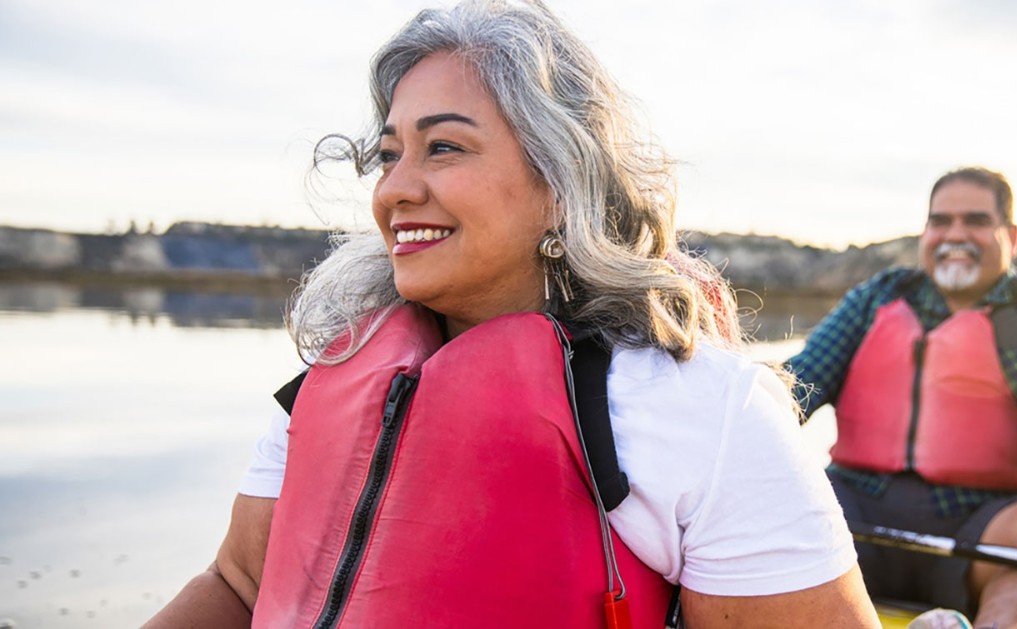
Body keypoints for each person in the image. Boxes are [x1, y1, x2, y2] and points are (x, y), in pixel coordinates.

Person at [144, 2, 880, 628]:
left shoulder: (709, 412)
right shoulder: (329, 376)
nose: (394, 189)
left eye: (443, 147)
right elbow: (237, 587)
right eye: (389, 153)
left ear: (561, 183)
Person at [787, 167, 1017, 628]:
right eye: (941, 222)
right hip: (857, 513)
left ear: (1011, 236)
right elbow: (795, 385)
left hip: (985, 524)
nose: (955, 235)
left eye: (975, 221)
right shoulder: (877, 299)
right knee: (777, 494)